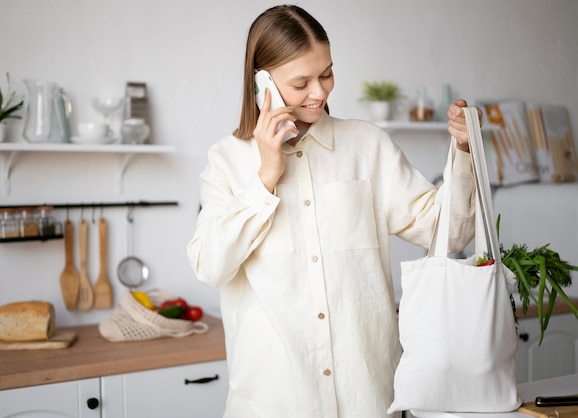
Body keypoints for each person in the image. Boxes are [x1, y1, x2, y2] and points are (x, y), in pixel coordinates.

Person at [187, 5, 478, 418]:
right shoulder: (226, 161)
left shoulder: (367, 146)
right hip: (273, 406)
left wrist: (465, 153)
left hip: (371, 402)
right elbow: (209, 266)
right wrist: (266, 178)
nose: (320, 92)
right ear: (261, 82)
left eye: (326, 74)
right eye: (301, 82)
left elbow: (448, 233)